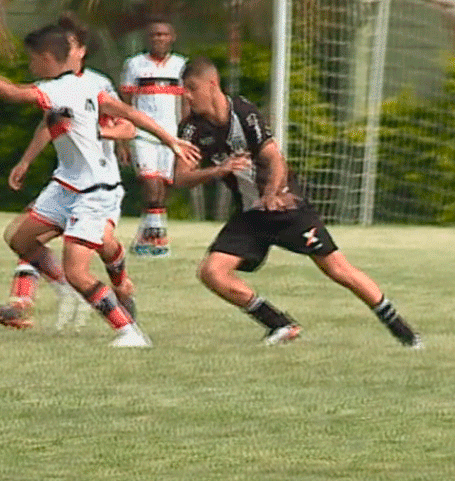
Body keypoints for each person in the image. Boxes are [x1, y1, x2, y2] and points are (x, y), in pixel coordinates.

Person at [0, 26, 199, 347]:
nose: (30, 65)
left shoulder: (74, 86)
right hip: (66, 185)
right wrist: (170, 139)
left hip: (95, 191)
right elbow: (119, 113)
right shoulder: (71, 87)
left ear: (49, 58)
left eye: (33, 59)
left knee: (82, 269)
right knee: (20, 238)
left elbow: (11, 92)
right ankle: (66, 287)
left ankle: (129, 332)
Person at [174, 57, 421, 347]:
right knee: (212, 272)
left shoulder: (244, 114)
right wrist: (218, 170)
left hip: (285, 208)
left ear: (212, 84)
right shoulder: (191, 129)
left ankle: (403, 332)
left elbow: (275, 158)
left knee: (337, 269)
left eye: (192, 88)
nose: (187, 95)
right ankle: (280, 324)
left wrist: (271, 194)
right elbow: (181, 178)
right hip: (250, 215)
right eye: (184, 90)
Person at [3, 14, 138, 330]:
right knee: (25, 233)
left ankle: (121, 286)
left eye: (73, 43)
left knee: (105, 244)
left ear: (80, 50)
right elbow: (50, 125)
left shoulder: (98, 84)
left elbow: (128, 124)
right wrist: (26, 161)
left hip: (98, 183)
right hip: (68, 180)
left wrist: (107, 136)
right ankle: (23, 303)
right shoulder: (56, 87)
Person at [119, 16, 187, 257]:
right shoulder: (134, 64)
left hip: (172, 137)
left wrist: (186, 135)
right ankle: (158, 239)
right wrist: (122, 141)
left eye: (164, 34)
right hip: (142, 135)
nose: (159, 39)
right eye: (154, 35)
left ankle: (147, 237)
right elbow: (125, 105)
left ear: (172, 37)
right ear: (148, 38)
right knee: (151, 184)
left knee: (163, 190)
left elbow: (185, 103)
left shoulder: (181, 65)